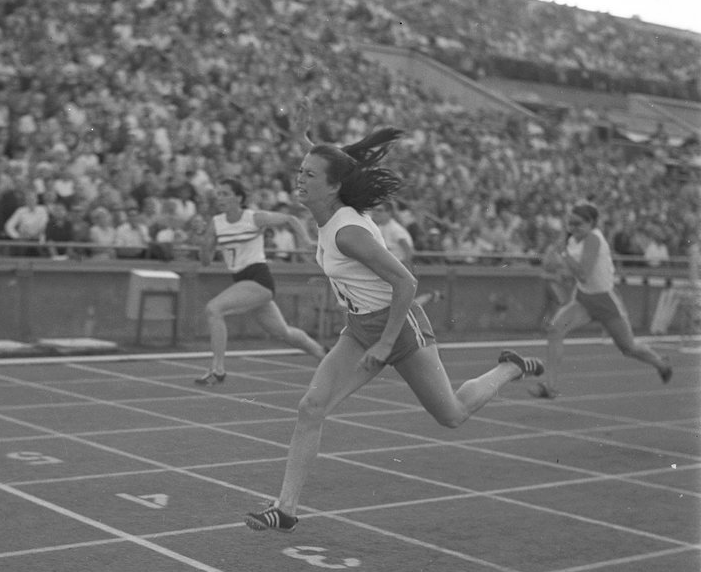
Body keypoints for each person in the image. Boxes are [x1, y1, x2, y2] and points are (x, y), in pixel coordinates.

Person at [244, 126, 544, 532]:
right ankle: (287, 508)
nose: (300, 178)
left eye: (309, 175)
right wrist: (302, 132)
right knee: (310, 408)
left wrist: (386, 343)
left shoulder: (347, 233)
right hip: (359, 329)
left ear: (333, 187)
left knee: (451, 415)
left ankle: (508, 369)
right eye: (300, 170)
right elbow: (329, 159)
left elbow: (406, 283)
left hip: (399, 328)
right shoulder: (330, 210)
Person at [529, 201, 672, 399]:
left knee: (628, 348)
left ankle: (660, 363)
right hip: (584, 299)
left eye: (578, 224)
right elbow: (567, 269)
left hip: (606, 301)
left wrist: (562, 254)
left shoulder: (595, 239)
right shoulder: (572, 241)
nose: (573, 228)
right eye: (570, 223)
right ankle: (550, 386)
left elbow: (584, 273)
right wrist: (558, 263)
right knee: (555, 329)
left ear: (592, 224)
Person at [195, 177, 327, 386]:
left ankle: (218, 368)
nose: (220, 198)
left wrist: (306, 239)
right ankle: (324, 355)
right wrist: (203, 239)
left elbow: (290, 219)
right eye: (218, 194)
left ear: (238, 198)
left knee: (214, 309)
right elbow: (205, 261)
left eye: (225, 194)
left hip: (259, 279)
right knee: (283, 332)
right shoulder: (216, 223)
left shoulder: (254, 218)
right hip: (242, 282)